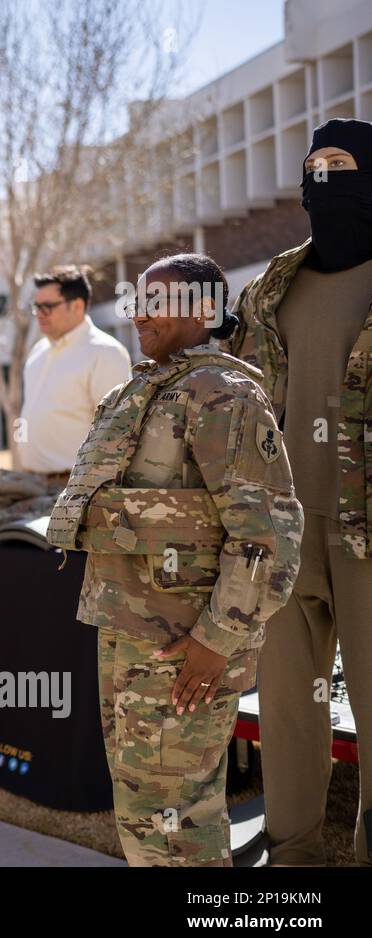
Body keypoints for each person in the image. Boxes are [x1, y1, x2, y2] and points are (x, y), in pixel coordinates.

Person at [48, 253, 302, 866]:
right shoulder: (145, 388)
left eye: (158, 301)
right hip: (131, 640)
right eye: (139, 299)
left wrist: (216, 642)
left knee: (179, 819)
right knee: (145, 814)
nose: (141, 314)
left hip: (185, 647)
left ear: (205, 311)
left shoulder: (223, 394)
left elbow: (267, 536)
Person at [223, 117, 372, 866]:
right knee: (287, 711)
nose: (321, 180)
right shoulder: (271, 285)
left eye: (339, 165)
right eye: (311, 167)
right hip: (282, 529)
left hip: (365, 528)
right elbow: (238, 393)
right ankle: (295, 863)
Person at [15, 266, 131, 476]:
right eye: (36, 306)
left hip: (74, 489)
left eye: (47, 306)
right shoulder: (38, 350)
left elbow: (117, 433)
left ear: (77, 306)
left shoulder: (105, 352)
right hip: (30, 481)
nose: (39, 314)